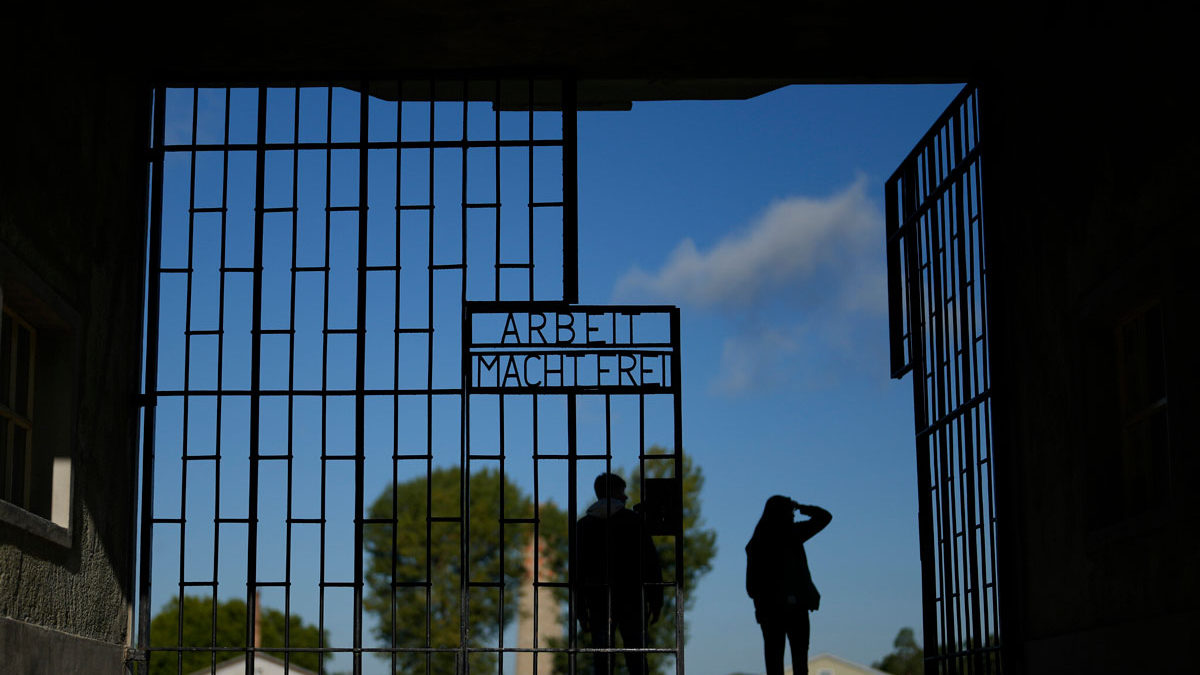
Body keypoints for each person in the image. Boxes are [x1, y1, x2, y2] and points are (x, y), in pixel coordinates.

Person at [575, 472, 664, 675]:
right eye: (622, 492)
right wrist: (656, 599)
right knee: (637, 659)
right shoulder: (633, 522)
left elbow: (578, 572)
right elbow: (651, 563)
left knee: (603, 661)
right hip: (631, 598)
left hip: (598, 601)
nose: (625, 497)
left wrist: (580, 609)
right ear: (613, 492)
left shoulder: (583, 526)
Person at [745, 496, 832, 675]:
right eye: (790, 512)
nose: (793, 516)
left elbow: (751, 587)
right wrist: (802, 507)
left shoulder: (758, 542)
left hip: (770, 611)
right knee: (799, 661)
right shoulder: (792, 533)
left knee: (774, 661)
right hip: (792, 608)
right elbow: (824, 517)